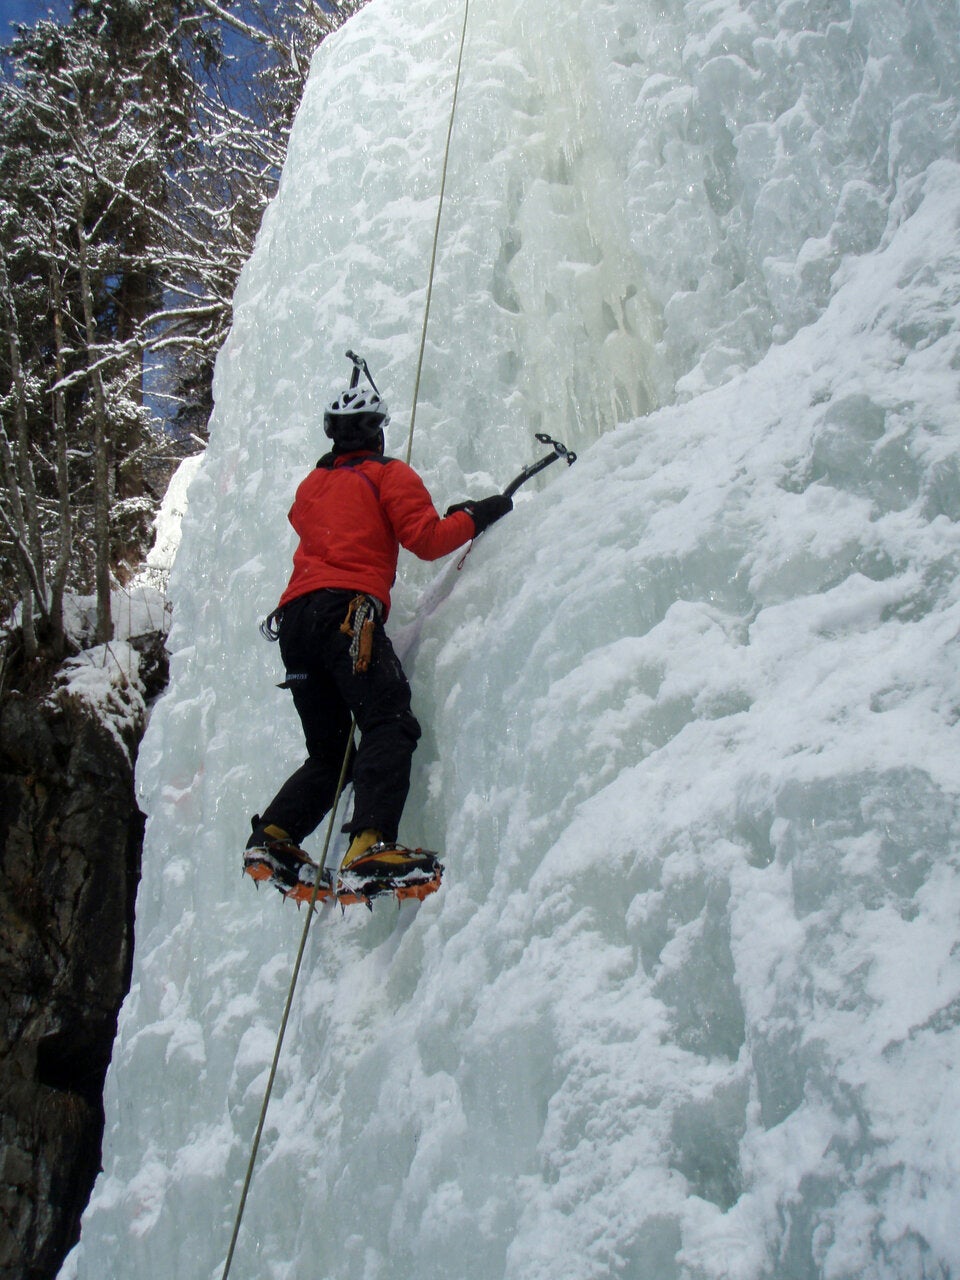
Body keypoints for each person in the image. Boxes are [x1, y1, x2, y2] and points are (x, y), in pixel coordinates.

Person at [243, 352, 512, 899]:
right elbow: (428, 540)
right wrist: (481, 513)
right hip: (346, 615)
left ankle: (274, 837)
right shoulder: (389, 474)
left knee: (329, 752)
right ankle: (368, 846)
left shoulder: (311, 487)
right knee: (389, 721)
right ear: (377, 434)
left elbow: (320, 519)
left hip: (294, 625)